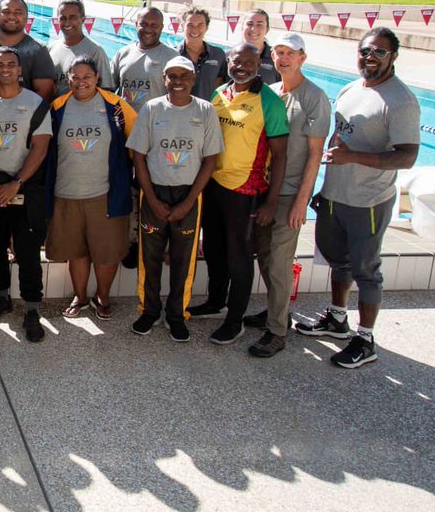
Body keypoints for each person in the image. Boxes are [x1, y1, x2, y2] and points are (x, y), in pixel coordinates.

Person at [297, 28, 419, 368]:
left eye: (380, 52)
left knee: (366, 270)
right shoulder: (351, 89)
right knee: (339, 260)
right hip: (337, 195)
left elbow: (407, 156)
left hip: (368, 200)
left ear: (394, 56)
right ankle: (337, 318)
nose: (371, 57)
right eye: (366, 50)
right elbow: (340, 143)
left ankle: (365, 339)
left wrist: (354, 159)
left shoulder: (400, 100)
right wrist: (326, 186)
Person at [191, 42, 289, 345]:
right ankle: (216, 301)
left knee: (239, 258)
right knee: (216, 250)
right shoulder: (219, 95)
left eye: (248, 62)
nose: (241, 67)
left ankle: (235, 320)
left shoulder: (269, 102)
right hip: (214, 185)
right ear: (228, 63)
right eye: (236, 62)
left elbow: (281, 155)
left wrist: (271, 201)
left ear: (258, 65)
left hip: (246, 191)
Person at [241, 33, 330, 357]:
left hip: (290, 193)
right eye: (278, 52)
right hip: (265, 191)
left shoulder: (315, 97)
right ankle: (276, 312)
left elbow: (315, 154)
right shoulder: (274, 92)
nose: (282, 58)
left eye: (289, 53)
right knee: (265, 257)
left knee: (278, 263)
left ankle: (277, 331)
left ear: (302, 58)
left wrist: (301, 202)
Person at [127, 57, 223, 342]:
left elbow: (210, 160)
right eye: (172, 75)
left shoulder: (205, 111)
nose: (178, 80)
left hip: (189, 193)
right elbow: (139, 156)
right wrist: (153, 199)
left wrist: (189, 201)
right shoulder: (151, 108)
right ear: (164, 78)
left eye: (184, 75)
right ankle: (149, 311)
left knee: (184, 260)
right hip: (154, 190)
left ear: (193, 79)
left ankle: (177, 314)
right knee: (150, 257)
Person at [44, 56, 137, 320]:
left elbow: (137, 142)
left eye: (87, 76)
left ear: (97, 78)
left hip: (106, 194)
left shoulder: (116, 106)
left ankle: (103, 297)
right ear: (68, 79)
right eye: (75, 77)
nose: (81, 82)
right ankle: (81, 296)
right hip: (67, 193)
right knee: (77, 251)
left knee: (106, 252)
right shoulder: (57, 107)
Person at [0, 48, 52, 342]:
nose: (5, 69)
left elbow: (40, 148)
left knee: (28, 253)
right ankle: (1, 297)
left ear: (20, 70)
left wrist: (16, 182)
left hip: (25, 189)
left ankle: (32, 309)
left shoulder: (35, 104)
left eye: (11, 65)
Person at [0, 0, 55, 101]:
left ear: (27, 17)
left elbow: (44, 94)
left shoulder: (37, 50)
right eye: (6, 12)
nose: (11, 16)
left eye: (18, 12)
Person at [110, 6, 178, 113]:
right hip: (125, 124)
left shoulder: (171, 56)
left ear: (161, 27)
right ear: (136, 25)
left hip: (156, 125)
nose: (148, 29)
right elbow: (108, 89)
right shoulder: (122, 53)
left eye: (154, 25)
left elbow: (178, 97)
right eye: (143, 24)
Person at [48, 0, 112, 94]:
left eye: (72, 17)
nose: (67, 22)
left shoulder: (95, 51)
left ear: (83, 19)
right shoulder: (51, 48)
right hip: (55, 108)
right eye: (63, 18)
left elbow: (107, 90)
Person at [176, 6, 228, 100]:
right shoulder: (172, 55)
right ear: (182, 26)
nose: (195, 30)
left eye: (200, 25)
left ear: (206, 28)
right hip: (178, 112)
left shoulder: (218, 55)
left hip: (209, 111)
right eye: (190, 25)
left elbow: (220, 86)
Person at [241, 8, 280, 84]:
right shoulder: (228, 56)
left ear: (267, 29)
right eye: (249, 24)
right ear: (242, 27)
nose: (253, 29)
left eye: (259, 25)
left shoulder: (277, 58)